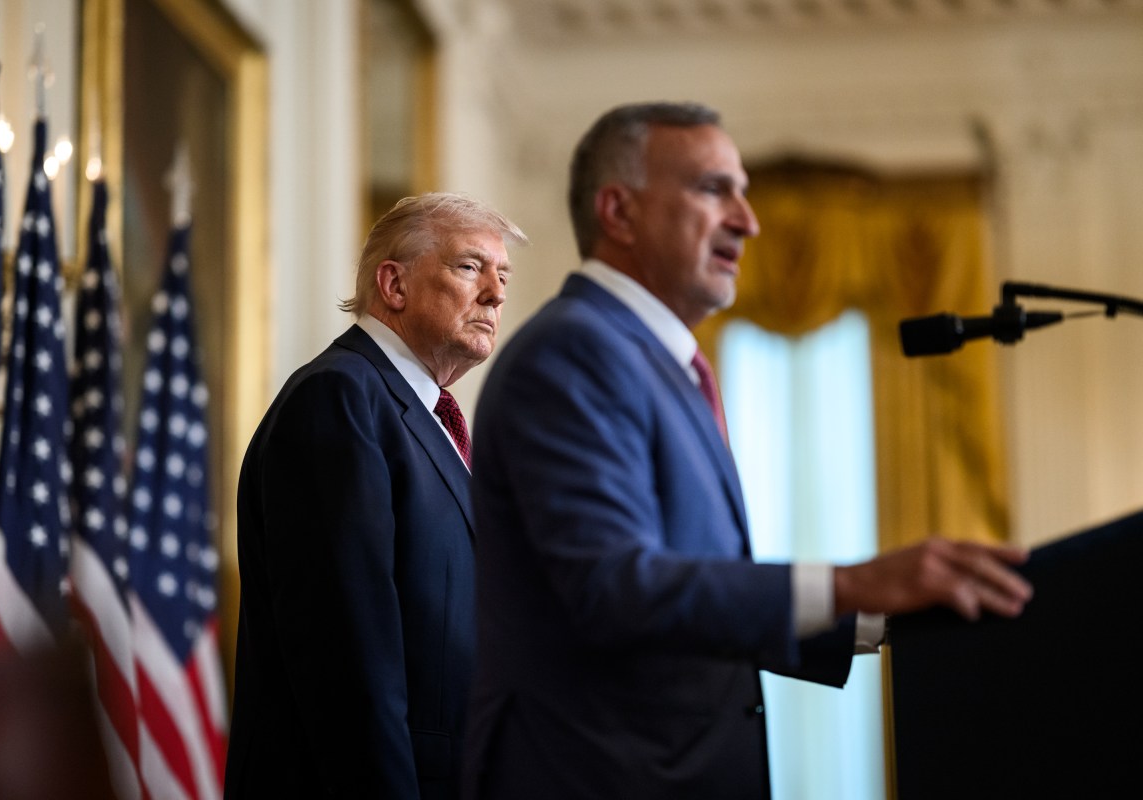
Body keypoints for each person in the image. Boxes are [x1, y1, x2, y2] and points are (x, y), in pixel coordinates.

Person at [462, 102, 1032, 800]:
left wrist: (885, 618)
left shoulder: (661, 363)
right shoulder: (573, 353)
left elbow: (695, 597)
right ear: (620, 212)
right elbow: (616, 588)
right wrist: (851, 582)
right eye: (713, 189)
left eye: (743, 192)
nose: (748, 219)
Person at [225, 192, 527, 799]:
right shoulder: (338, 400)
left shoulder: (424, 412)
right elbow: (347, 666)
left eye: (502, 275)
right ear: (394, 284)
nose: (496, 293)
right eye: (470, 267)